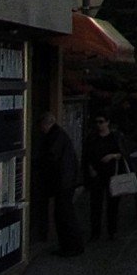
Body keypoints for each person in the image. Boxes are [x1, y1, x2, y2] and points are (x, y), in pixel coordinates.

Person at [33, 108, 85, 256]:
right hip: (65, 181)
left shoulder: (55, 137)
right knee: (64, 214)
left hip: (63, 182)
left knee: (64, 215)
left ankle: (71, 246)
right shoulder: (60, 135)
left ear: (45, 124)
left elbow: (51, 158)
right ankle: (71, 245)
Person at [82, 113, 131, 241]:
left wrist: (113, 156)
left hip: (112, 173)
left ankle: (112, 230)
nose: (99, 125)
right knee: (95, 204)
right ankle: (95, 232)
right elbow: (86, 156)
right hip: (97, 174)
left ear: (107, 122)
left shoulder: (116, 137)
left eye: (101, 122)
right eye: (97, 122)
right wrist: (90, 169)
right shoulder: (92, 138)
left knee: (113, 204)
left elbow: (123, 153)